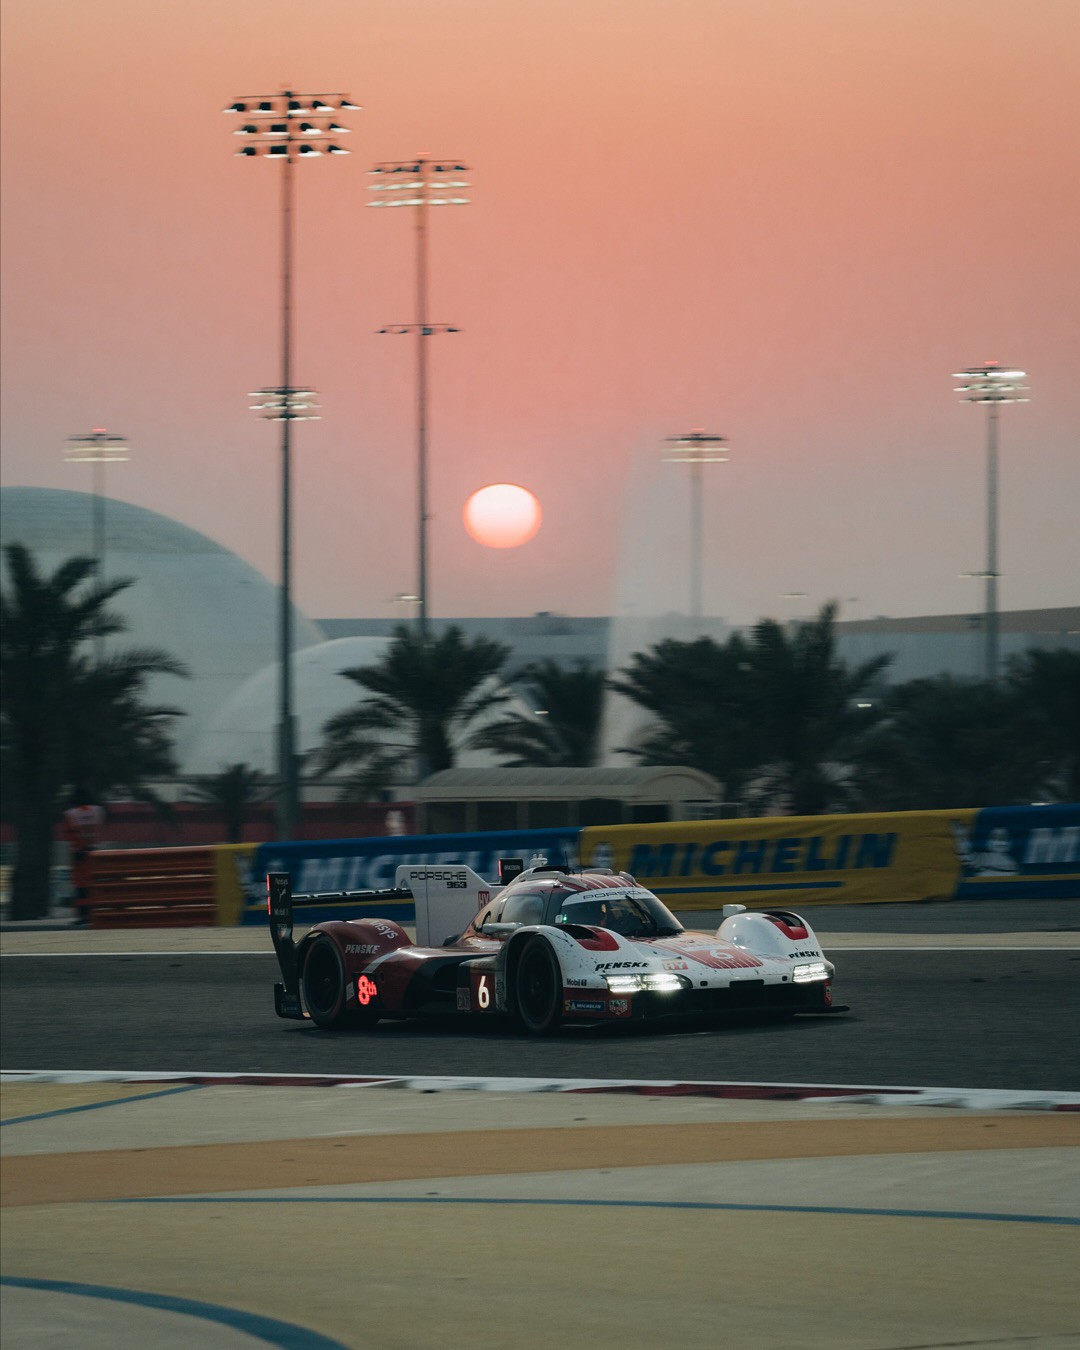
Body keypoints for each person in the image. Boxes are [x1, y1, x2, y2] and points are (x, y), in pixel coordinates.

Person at [62, 797, 106, 924]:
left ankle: (83, 915)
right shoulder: (97, 811)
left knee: (80, 887)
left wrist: (78, 849)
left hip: (79, 856)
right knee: (93, 885)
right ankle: (94, 913)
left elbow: (69, 835)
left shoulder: (71, 814)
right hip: (95, 854)